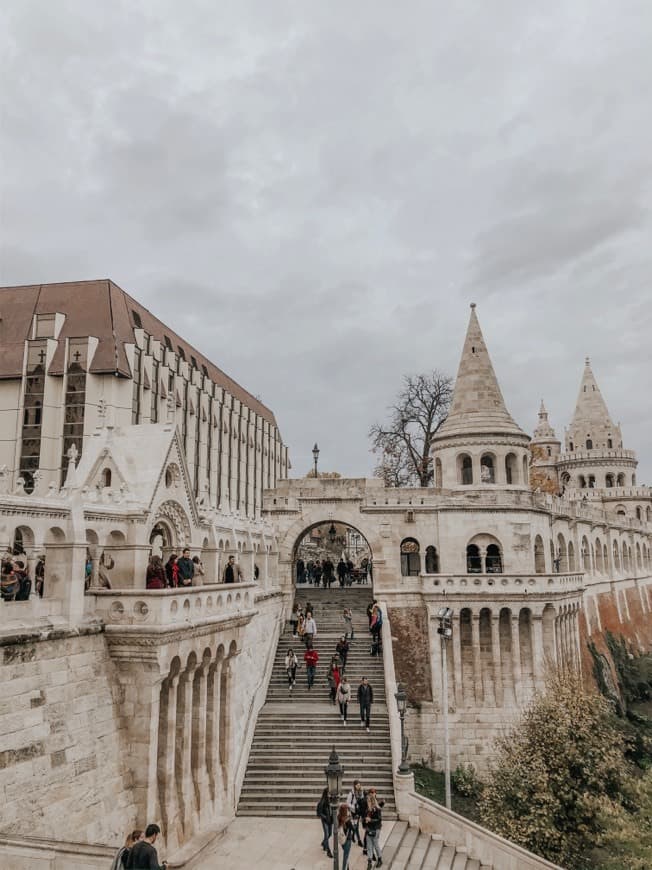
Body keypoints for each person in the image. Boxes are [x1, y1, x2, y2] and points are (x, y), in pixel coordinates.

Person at [365, 789, 383, 868]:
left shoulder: (377, 809)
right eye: (368, 800)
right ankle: (369, 862)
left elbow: (379, 819)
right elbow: (365, 818)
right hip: (369, 828)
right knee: (369, 846)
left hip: (376, 828)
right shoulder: (368, 809)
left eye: (369, 801)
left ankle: (380, 859)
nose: (368, 802)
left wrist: (370, 820)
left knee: (375, 844)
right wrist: (365, 820)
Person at [347, 780, 367, 847]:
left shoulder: (361, 792)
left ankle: (352, 835)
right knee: (356, 826)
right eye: (357, 785)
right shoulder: (351, 794)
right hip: (353, 812)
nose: (359, 786)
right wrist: (354, 807)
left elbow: (363, 800)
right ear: (354, 785)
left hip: (359, 811)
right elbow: (348, 803)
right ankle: (359, 841)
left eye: (359, 785)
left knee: (356, 826)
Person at [338, 802, 356, 870]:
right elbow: (353, 829)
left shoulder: (339, 817)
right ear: (346, 811)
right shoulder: (348, 821)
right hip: (347, 839)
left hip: (341, 840)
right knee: (346, 856)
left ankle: (347, 868)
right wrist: (354, 824)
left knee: (346, 854)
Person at [317, 786, 333, 858]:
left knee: (329, 834)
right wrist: (326, 817)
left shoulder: (331, 800)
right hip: (325, 821)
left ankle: (324, 843)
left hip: (330, 820)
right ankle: (328, 851)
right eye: (329, 793)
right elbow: (319, 813)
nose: (330, 794)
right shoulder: (322, 802)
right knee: (326, 834)